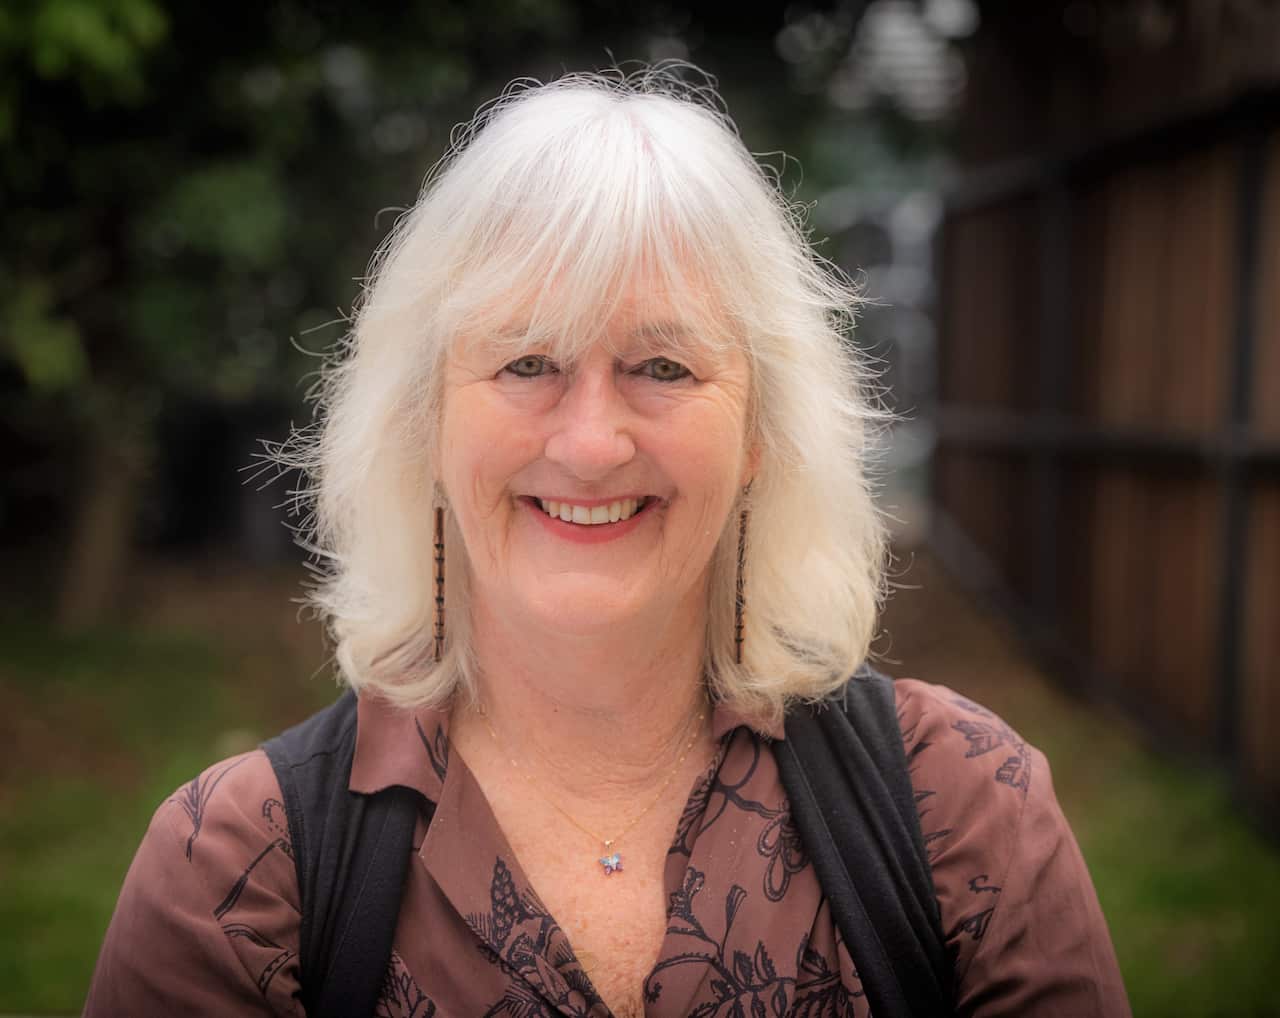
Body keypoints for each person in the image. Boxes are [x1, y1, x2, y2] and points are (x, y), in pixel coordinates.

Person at [85, 68, 1130, 1017]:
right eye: (527, 361)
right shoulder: (234, 873)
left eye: (663, 368)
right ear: (425, 425)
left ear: (760, 432)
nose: (590, 443)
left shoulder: (963, 812)